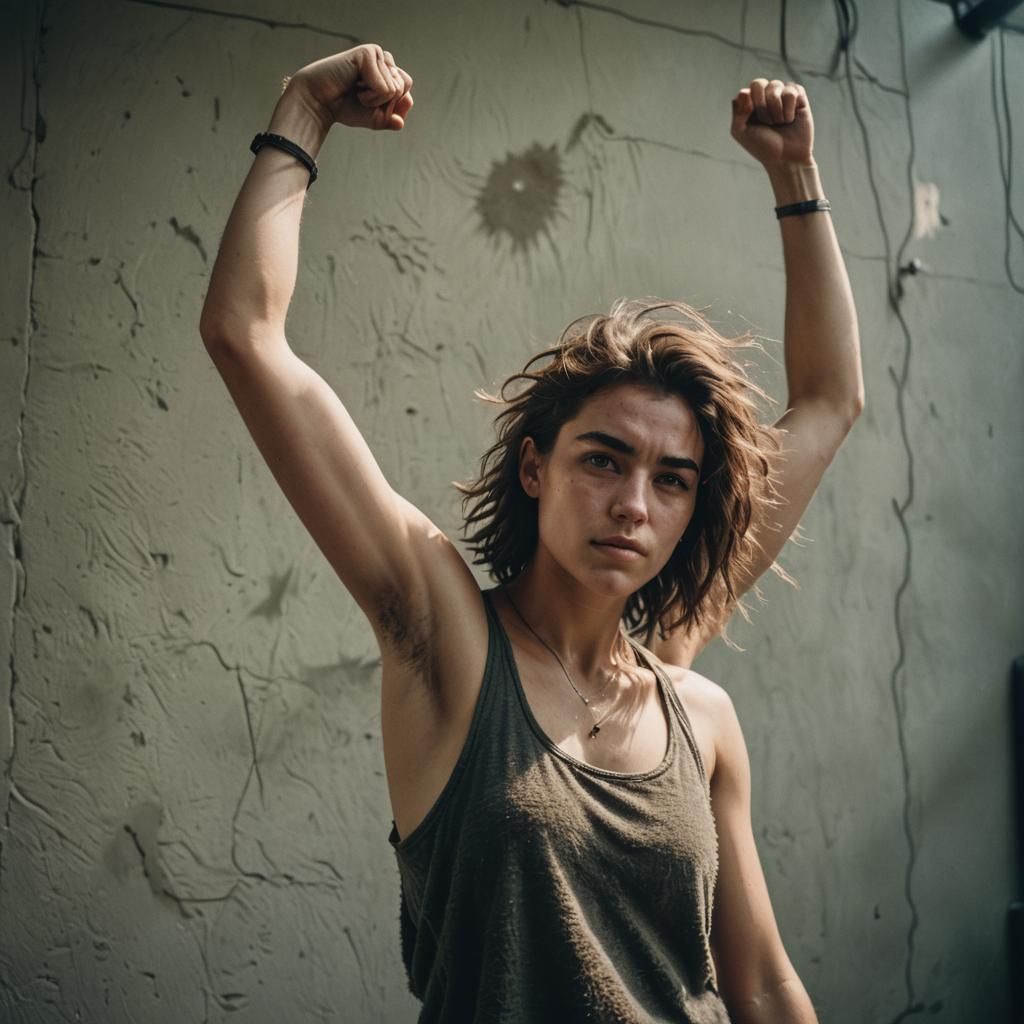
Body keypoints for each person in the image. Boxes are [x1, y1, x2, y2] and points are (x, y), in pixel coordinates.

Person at [199, 43, 862, 1024]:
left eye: (670, 480)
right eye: (602, 458)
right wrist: (298, 113)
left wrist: (796, 176)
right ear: (534, 467)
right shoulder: (449, 643)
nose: (634, 501)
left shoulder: (696, 709)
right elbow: (245, 334)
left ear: (691, 507)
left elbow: (758, 980)